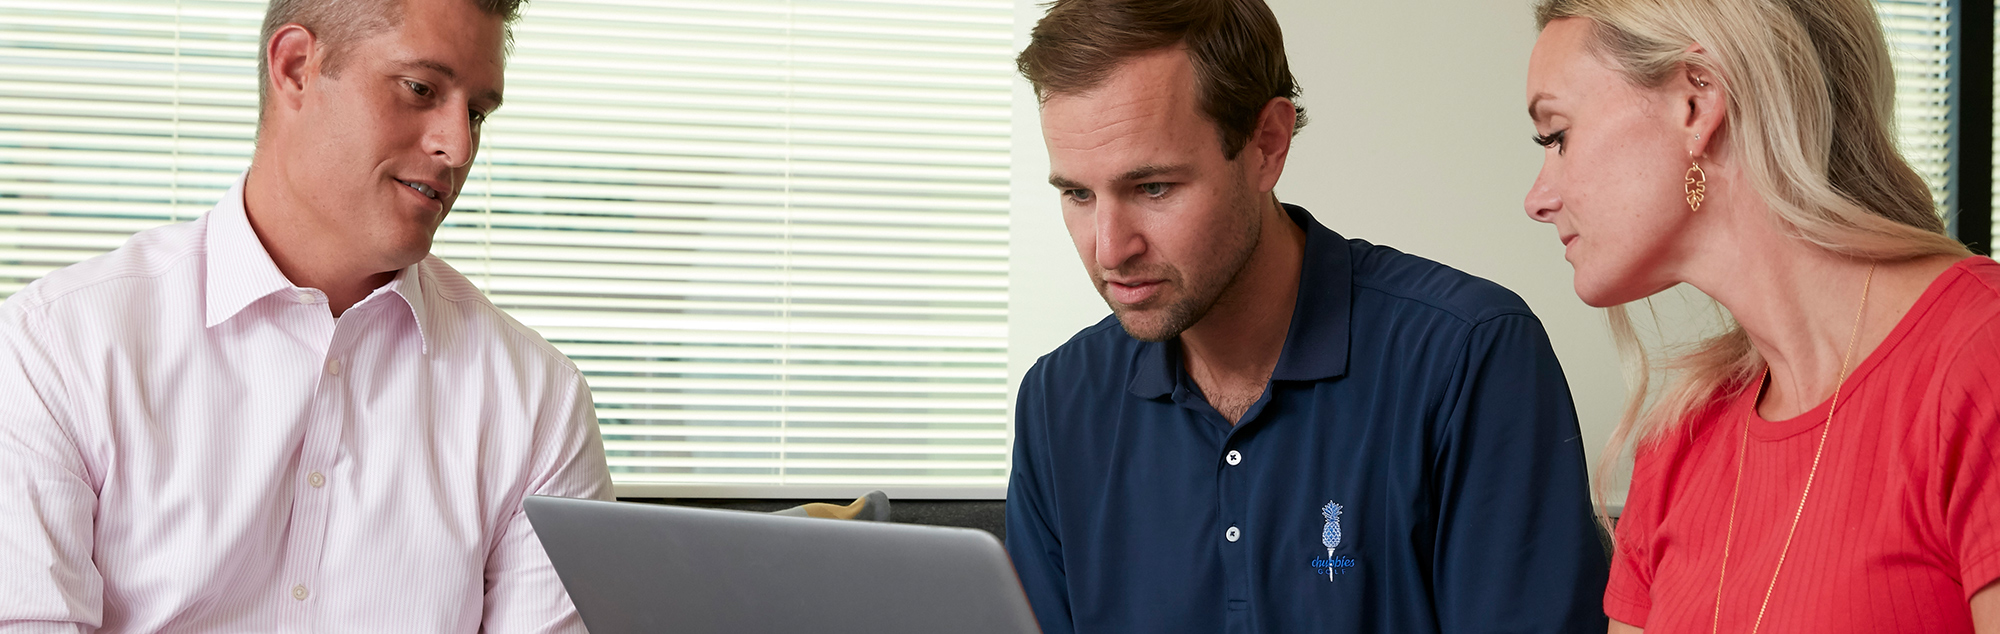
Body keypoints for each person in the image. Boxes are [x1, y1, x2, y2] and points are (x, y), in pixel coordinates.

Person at [0, 0, 612, 630]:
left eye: (477, 114)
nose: (457, 146)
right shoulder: (54, 349)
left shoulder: (539, 401)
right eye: (419, 88)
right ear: (295, 67)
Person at [1004, 1, 1609, 631]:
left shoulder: (1468, 357)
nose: (1109, 248)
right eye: (1077, 193)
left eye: (1153, 188)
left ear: (1268, 144)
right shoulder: (1058, 401)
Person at [1522, 0, 2000, 632]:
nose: (1538, 198)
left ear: (1696, 103)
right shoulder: (1679, 444)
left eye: (1557, 136)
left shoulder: (1978, 355)